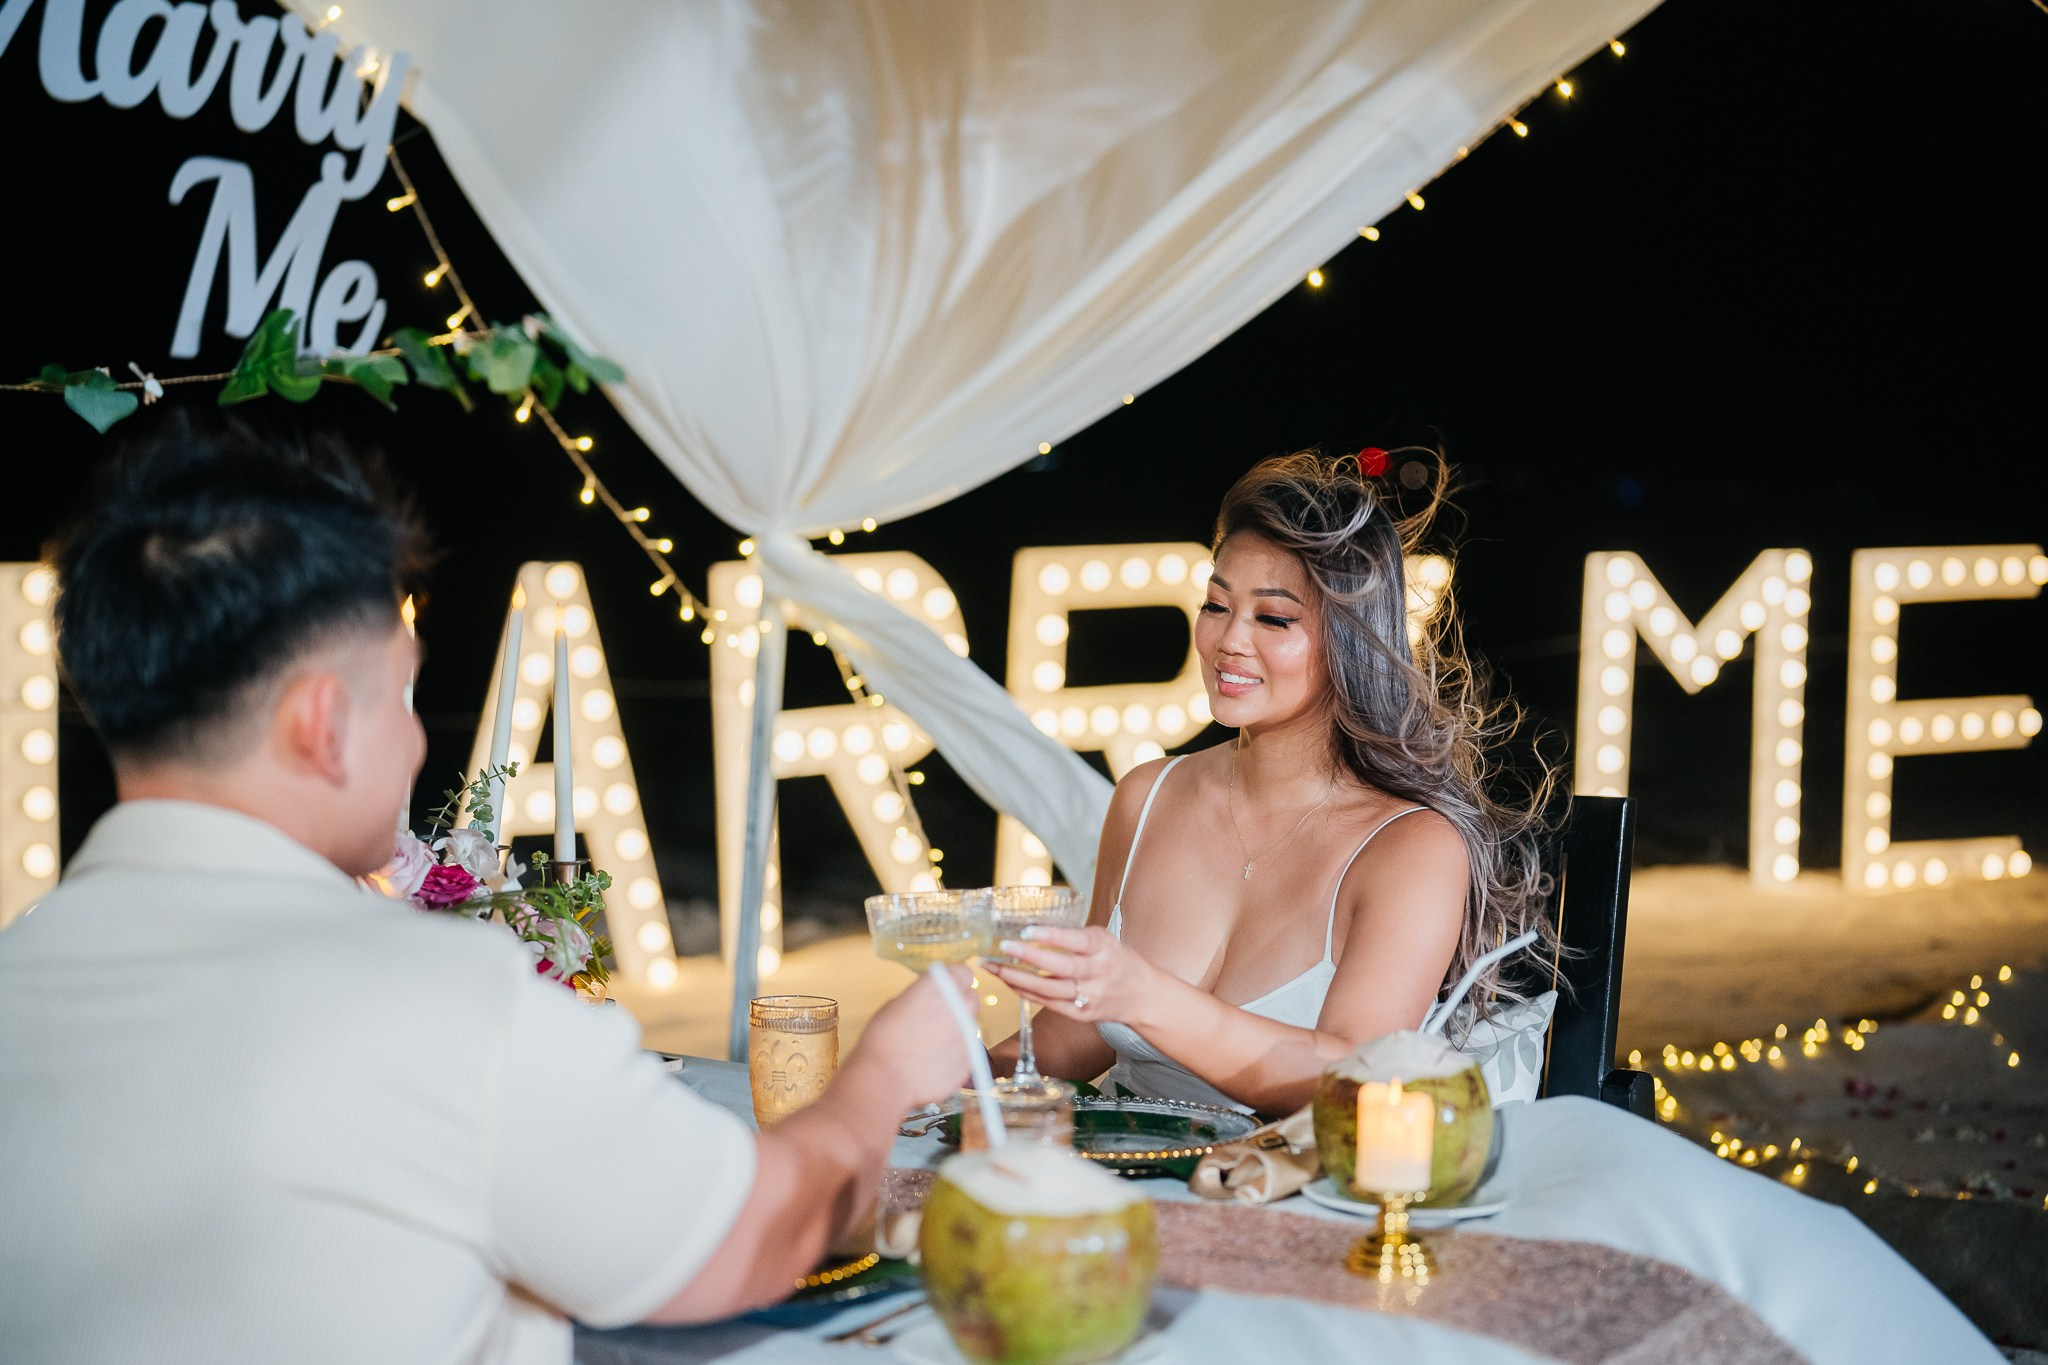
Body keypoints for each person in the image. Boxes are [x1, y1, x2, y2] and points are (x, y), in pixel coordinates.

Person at [0, 416, 971, 1364]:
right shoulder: (428, 993)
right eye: (402, 694)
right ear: (322, 723)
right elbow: (741, 1242)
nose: (417, 738)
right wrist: (884, 1076)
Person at [988, 450, 1556, 1116]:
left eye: (1274, 618)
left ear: (1349, 638)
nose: (1228, 640)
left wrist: (1144, 995)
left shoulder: (1413, 847)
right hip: (1122, 1161)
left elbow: (1353, 1080)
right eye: (1216, 605)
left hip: (1289, 1171)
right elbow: (1072, 1038)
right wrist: (935, 1071)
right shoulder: (1146, 798)